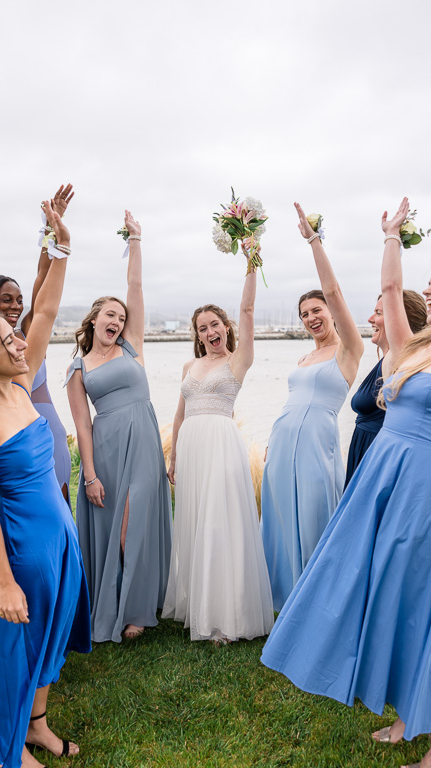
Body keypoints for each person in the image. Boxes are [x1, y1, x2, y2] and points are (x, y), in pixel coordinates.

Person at [260, 198, 431, 768]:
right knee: (387, 591)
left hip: (428, 488)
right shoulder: (417, 348)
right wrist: (390, 237)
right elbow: (390, 293)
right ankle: (410, 714)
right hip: (382, 480)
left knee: (425, 601)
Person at [0, 200, 91, 768]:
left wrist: (62, 247)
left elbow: (46, 307)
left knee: (50, 642)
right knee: (18, 650)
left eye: (13, 332)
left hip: (61, 538)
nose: (19, 340)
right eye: (6, 338)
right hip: (24, 550)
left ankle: (37, 726)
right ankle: (5, 746)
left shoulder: (22, 384)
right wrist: (4, 583)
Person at [66, 211, 172, 642]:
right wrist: (89, 475)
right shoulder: (78, 367)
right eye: (109, 314)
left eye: (121, 317)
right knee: (116, 530)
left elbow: (136, 288)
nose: (117, 320)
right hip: (106, 450)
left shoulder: (133, 346)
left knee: (136, 523)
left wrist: (136, 240)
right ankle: (123, 607)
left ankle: (140, 607)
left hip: (144, 442)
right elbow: (83, 426)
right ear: (93, 320)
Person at [161, 249, 274, 643]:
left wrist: (251, 264)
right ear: (196, 334)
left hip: (222, 446)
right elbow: (179, 413)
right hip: (191, 448)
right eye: (202, 328)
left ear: (226, 327)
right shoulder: (189, 368)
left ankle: (227, 616)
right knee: (194, 519)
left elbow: (247, 308)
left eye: (215, 325)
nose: (210, 332)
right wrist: (174, 456)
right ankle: (199, 604)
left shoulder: (238, 360)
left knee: (219, 521)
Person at [259, 203, 364, 612]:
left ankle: (321, 601)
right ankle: (285, 600)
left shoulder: (348, 350)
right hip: (282, 445)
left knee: (317, 516)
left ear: (331, 313)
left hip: (319, 445)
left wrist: (312, 241)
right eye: (304, 314)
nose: (310, 318)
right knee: (283, 517)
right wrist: (272, 441)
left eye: (316, 310)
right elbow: (290, 403)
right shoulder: (305, 358)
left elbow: (335, 292)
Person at [0, 184, 74, 504]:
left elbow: (43, 277)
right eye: (6, 300)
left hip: (51, 432)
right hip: (17, 441)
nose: (15, 306)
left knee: (62, 515)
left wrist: (49, 227)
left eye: (19, 300)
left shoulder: (29, 334)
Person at [344, 289, 427, 487]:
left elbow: (390, 284)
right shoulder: (387, 359)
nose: (370, 319)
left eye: (379, 313)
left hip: (377, 458)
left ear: (398, 320)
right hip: (365, 453)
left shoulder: (400, 359)